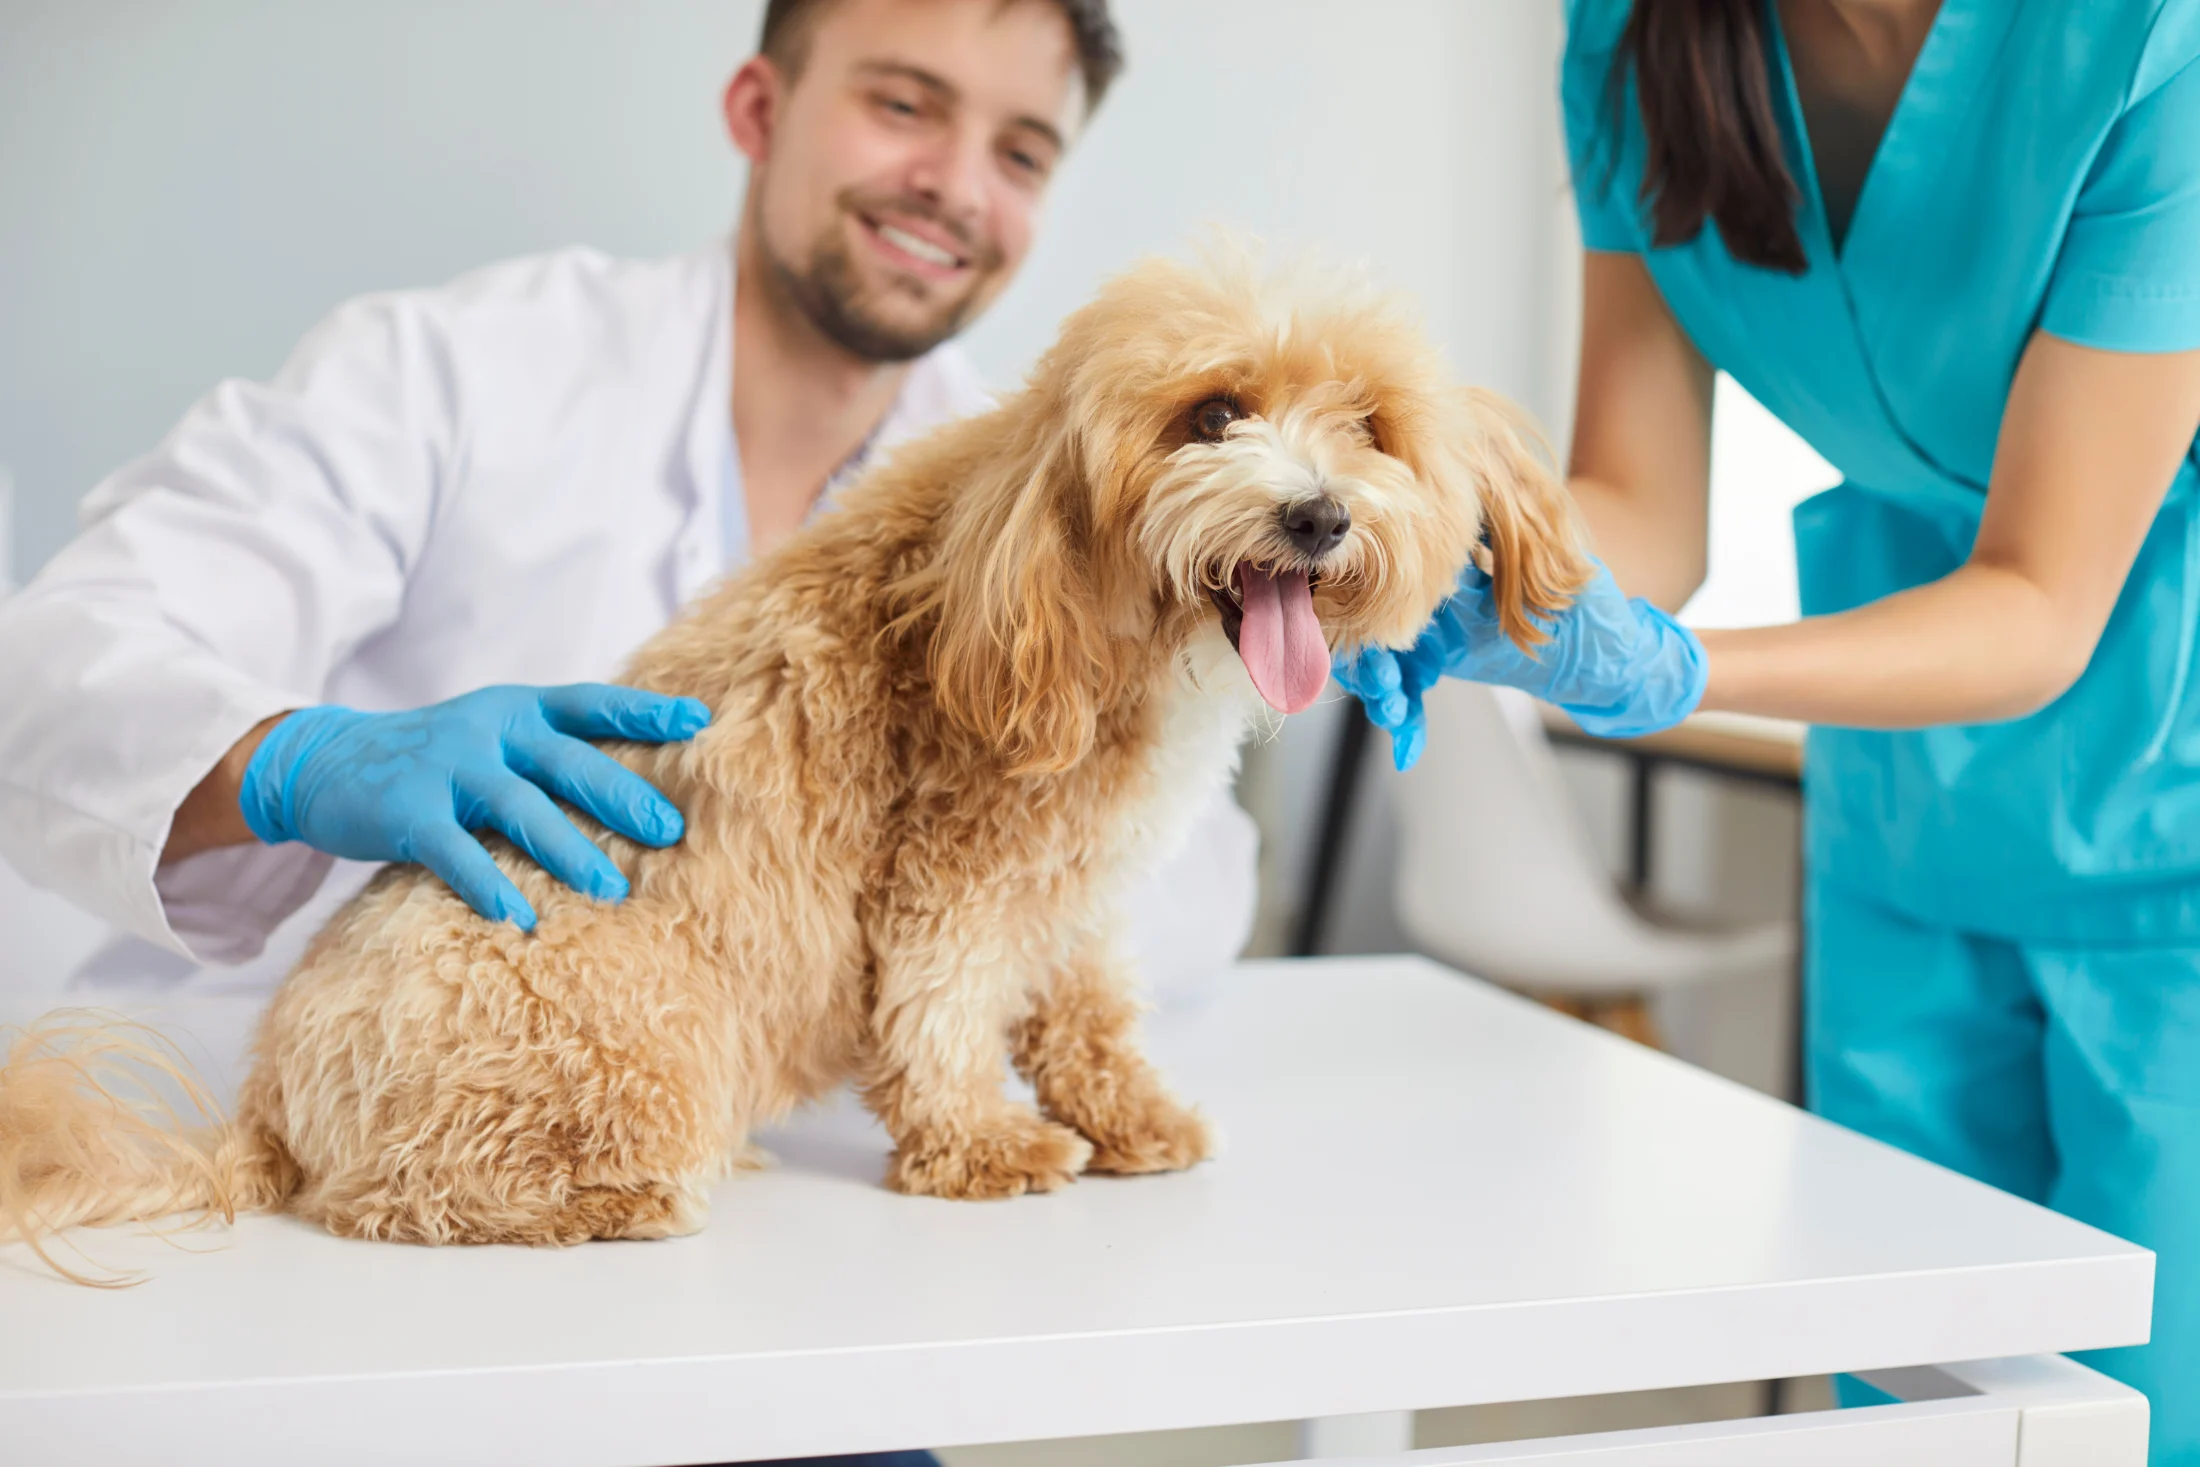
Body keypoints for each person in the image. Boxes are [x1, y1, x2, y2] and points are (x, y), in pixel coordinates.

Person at [0, 2, 1255, 1460]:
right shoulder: (454, 369)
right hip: (345, 1233)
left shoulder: (1064, 490)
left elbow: (1193, 892)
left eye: (1021, 149)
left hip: (750, 1255)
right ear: (758, 108)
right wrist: (298, 759)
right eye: (904, 105)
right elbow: (47, 665)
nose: (957, 187)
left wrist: (1224, 668)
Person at [1339, 0, 2200, 1454]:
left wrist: (1680, 670)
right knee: (1905, 1383)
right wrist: (1476, 560)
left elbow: (2043, 596)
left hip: (2159, 751)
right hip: (1907, 783)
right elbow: (1645, 509)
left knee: (2144, 1406)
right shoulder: (1634, 38)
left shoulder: (2143, 39)